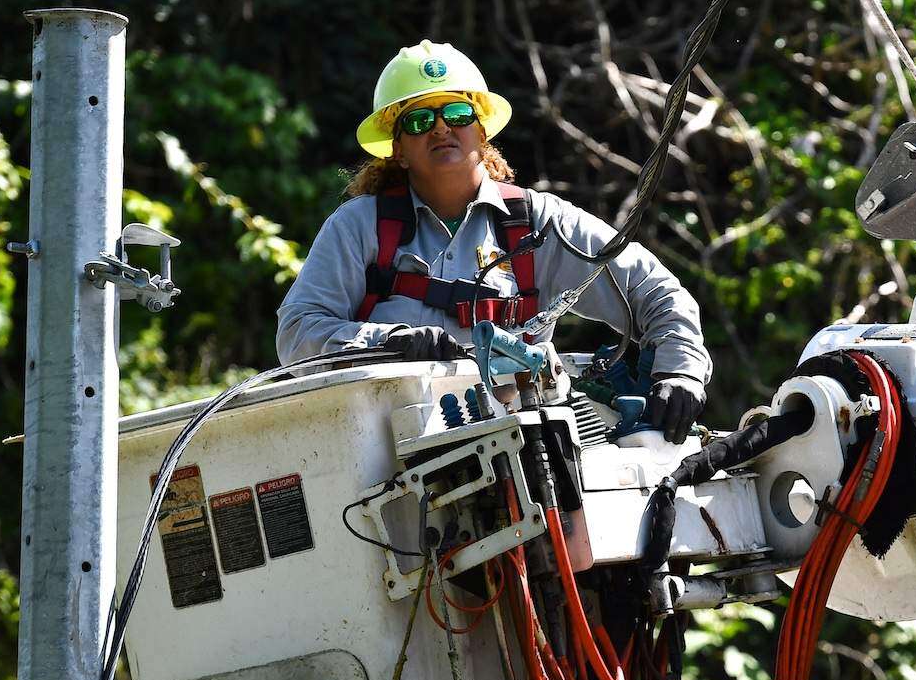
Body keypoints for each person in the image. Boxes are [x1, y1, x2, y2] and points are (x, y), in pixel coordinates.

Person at [276, 40, 710, 441]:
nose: (441, 128)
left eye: (458, 114)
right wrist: (389, 341)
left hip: (528, 449)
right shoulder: (360, 227)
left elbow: (654, 290)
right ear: (399, 150)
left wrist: (680, 373)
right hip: (386, 457)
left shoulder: (536, 222)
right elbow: (297, 332)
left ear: (481, 131)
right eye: (421, 119)